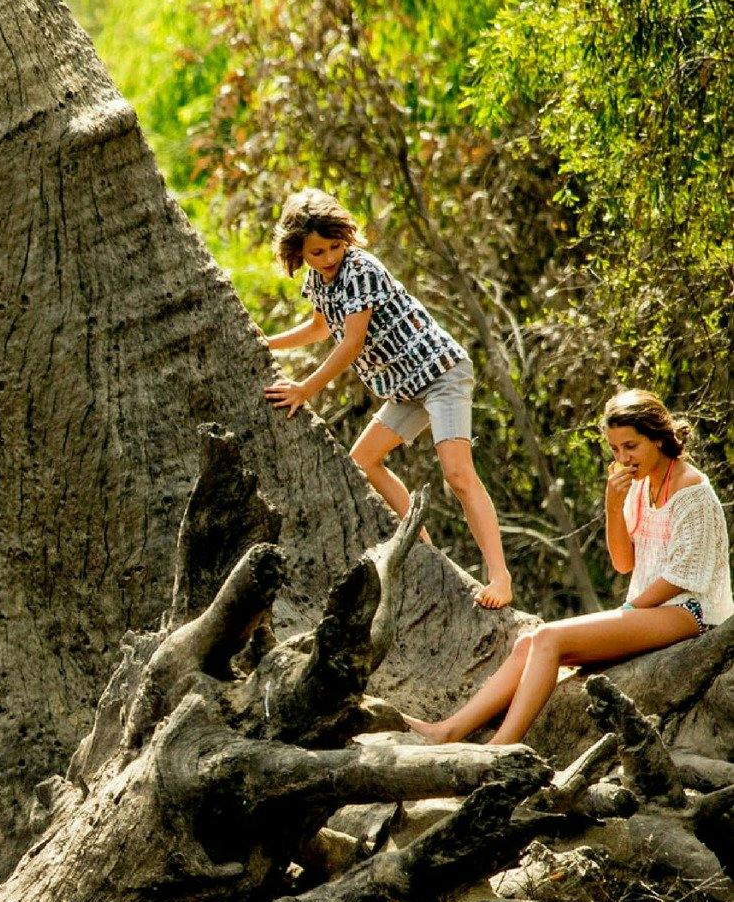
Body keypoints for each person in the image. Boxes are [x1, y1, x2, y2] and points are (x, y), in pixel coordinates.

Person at [408, 390, 731, 746]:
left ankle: (500, 747)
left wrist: (629, 609)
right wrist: (613, 504)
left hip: (691, 612)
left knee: (549, 637)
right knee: (529, 641)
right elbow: (623, 562)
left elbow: (685, 575)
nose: (623, 458)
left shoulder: (692, 489)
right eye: (615, 450)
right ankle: (449, 729)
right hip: (650, 608)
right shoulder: (641, 487)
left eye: (631, 446)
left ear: (658, 438)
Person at [262, 188, 514, 610]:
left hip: (440, 373)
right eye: (317, 251)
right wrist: (265, 343)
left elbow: (353, 342)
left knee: (457, 473)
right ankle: (427, 551)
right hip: (404, 388)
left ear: (346, 239)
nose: (328, 258)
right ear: (300, 253)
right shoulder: (317, 281)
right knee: (362, 463)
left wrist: (305, 389)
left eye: (334, 246)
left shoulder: (360, 268)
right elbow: (321, 330)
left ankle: (500, 577)